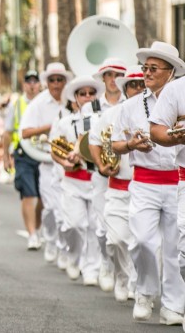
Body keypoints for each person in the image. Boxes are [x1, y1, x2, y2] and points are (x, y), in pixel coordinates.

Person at [112, 41, 185, 324]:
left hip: (176, 181)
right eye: (145, 67)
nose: (147, 72)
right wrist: (130, 144)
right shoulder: (130, 106)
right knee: (142, 240)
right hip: (144, 183)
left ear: (171, 72)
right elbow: (115, 145)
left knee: (173, 249)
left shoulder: (179, 97)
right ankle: (144, 291)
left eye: (154, 68)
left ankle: (173, 306)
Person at [89, 65, 142, 302]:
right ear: (126, 89)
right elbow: (93, 141)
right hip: (118, 187)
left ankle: (138, 284)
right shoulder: (111, 114)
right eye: (133, 85)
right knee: (117, 238)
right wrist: (101, 165)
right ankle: (121, 275)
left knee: (142, 241)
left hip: (145, 187)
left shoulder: (159, 113)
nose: (138, 88)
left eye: (142, 84)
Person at [48, 75, 104, 285]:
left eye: (91, 93)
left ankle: (91, 268)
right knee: (74, 224)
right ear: (76, 98)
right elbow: (54, 149)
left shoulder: (104, 119)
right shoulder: (64, 122)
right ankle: (73, 256)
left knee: (93, 226)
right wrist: (64, 162)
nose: (88, 97)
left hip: (97, 179)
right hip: (72, 180)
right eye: (83, 93)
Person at [19, 61, 73, 264]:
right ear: (47, 82)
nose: (56, 84)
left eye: (60, 79)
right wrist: (50, 127)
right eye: (52, 80)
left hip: (70, 163)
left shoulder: (72, 100)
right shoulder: (38, 104)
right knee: (50, 208)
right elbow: (24, 132)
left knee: (66, 209)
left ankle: (65, 248)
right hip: (48, 162)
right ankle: (50, 241)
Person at [4, 70, 43, 249]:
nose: (32, 85)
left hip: (44, 153)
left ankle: (37, 227)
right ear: (24, 85)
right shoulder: (17, 104)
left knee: (44, 196)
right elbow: (7, 131)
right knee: (29, 194)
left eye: (36, 81)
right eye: (29, 81)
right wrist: (5, 156)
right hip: (23, 154)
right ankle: (32, 234)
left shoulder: (46, 102)